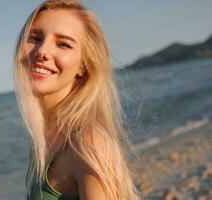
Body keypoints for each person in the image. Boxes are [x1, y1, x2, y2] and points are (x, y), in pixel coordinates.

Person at [14, 0, 139, 199]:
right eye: (35, 38)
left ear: (83, 65)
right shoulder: (47, 136)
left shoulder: (87, 143)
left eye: (63, 44)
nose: (42, 51)